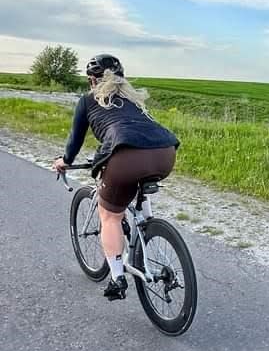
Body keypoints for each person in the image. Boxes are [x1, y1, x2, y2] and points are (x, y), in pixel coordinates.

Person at [53, 55, 179, 301]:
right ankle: (146, 221)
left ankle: (117, 277)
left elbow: (75, 140)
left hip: (126, 156)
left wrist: (65, 161)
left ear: (92, 80)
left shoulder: (88, 101)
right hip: (166, 152)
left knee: (110, 215)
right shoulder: (134, 100)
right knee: (134, 185)